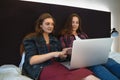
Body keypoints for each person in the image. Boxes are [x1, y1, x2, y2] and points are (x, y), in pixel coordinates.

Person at [22, 13, 100, 80]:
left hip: (56, 65)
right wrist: (53, 54)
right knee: (68, 76)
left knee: (86, 74)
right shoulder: (31, 38)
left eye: (52, 24)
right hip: (40, 68)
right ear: (41, 25)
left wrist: (64, 53)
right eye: (47, 24)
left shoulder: (54, 40)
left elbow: (59, 57)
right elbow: (31, 60)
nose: (50, 26)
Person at [59, 13, 120, 80]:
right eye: (72, 22)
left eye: (77, 22)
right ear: (69, 23)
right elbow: (63, 52)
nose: (75, 24)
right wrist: (67, 51)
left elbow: (90, 45)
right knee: (97, 67)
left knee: (109, 60)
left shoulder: (83, 34)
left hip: (92, 56)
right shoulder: (64, 36)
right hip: (81, 60)